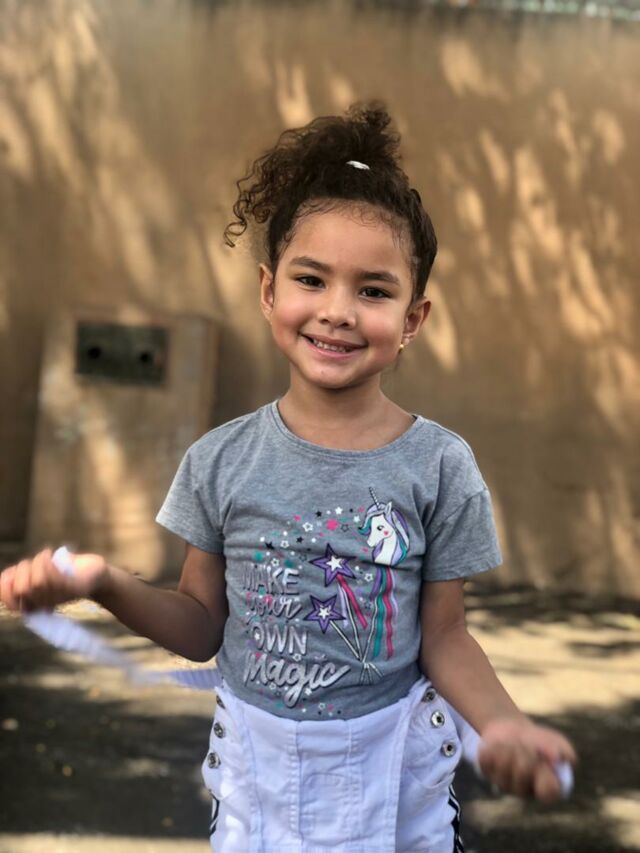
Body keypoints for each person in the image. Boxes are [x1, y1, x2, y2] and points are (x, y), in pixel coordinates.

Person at [0, 102, 576, 852]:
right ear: (270, 291)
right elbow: (200, 626)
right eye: (312, 279)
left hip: (397, 783)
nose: (337, 311)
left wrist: (503, 724)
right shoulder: (220, 460)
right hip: (256, 785)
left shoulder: (440, 465)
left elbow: (446, 636)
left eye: (374, 291)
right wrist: (102, 582)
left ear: (413, 318)